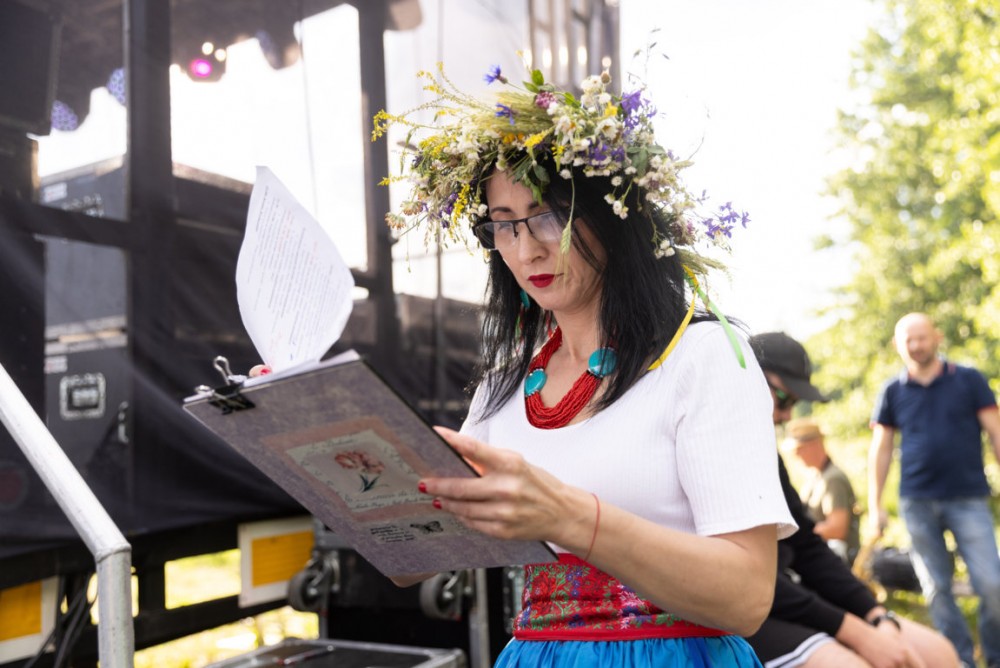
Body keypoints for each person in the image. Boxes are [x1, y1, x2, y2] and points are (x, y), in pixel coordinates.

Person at [371, 62, 797, 667]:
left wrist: (569, 516)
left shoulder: (701, 357)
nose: (526, 249)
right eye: (503, 226)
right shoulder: (503, 386)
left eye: (549, 216)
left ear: (614, 216)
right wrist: (314, 433)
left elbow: (746, 598)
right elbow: (409, 561)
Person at [747, 331, 958, 668]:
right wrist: (854, 632)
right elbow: (748, 580)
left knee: (940, 654)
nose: (787, 415)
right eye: (784, 398)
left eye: (793, 403)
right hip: (749, 614)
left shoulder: (771, 458)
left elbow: (807, 547)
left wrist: (876, 616)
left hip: (793, 595)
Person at [869, 312, 1000, 668]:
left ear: (936, 337)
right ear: (897, 345)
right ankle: (959, 660)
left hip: (967, 497)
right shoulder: (892, 391)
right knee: (936, 589)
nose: (916, 345)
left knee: (992, 585)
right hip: (916, 502)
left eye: (921, 337)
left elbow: (996, 432)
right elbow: (881, 449)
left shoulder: (969, 379)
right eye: (908, 340)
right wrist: (875, 505)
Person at [782, 417, 861, 565]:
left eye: (799, 450)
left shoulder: (833, 479)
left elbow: (837, 529)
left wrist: (798, 534)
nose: (795, 456)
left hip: (838, 559)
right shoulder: (815, 477)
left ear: (814, 445)